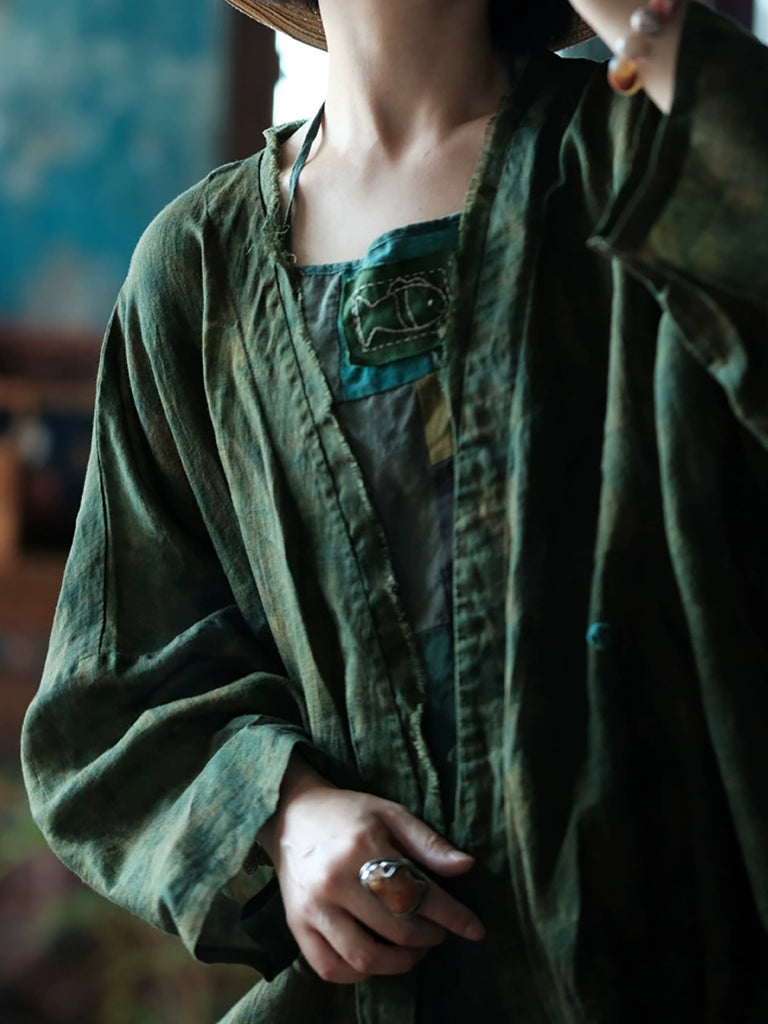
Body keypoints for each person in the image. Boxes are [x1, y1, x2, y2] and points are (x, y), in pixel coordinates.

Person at [21, 0, 768, 1020]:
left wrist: (652, 33)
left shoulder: (653, 167)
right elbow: (111, 694)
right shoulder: (194, 273)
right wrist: (287, 814)